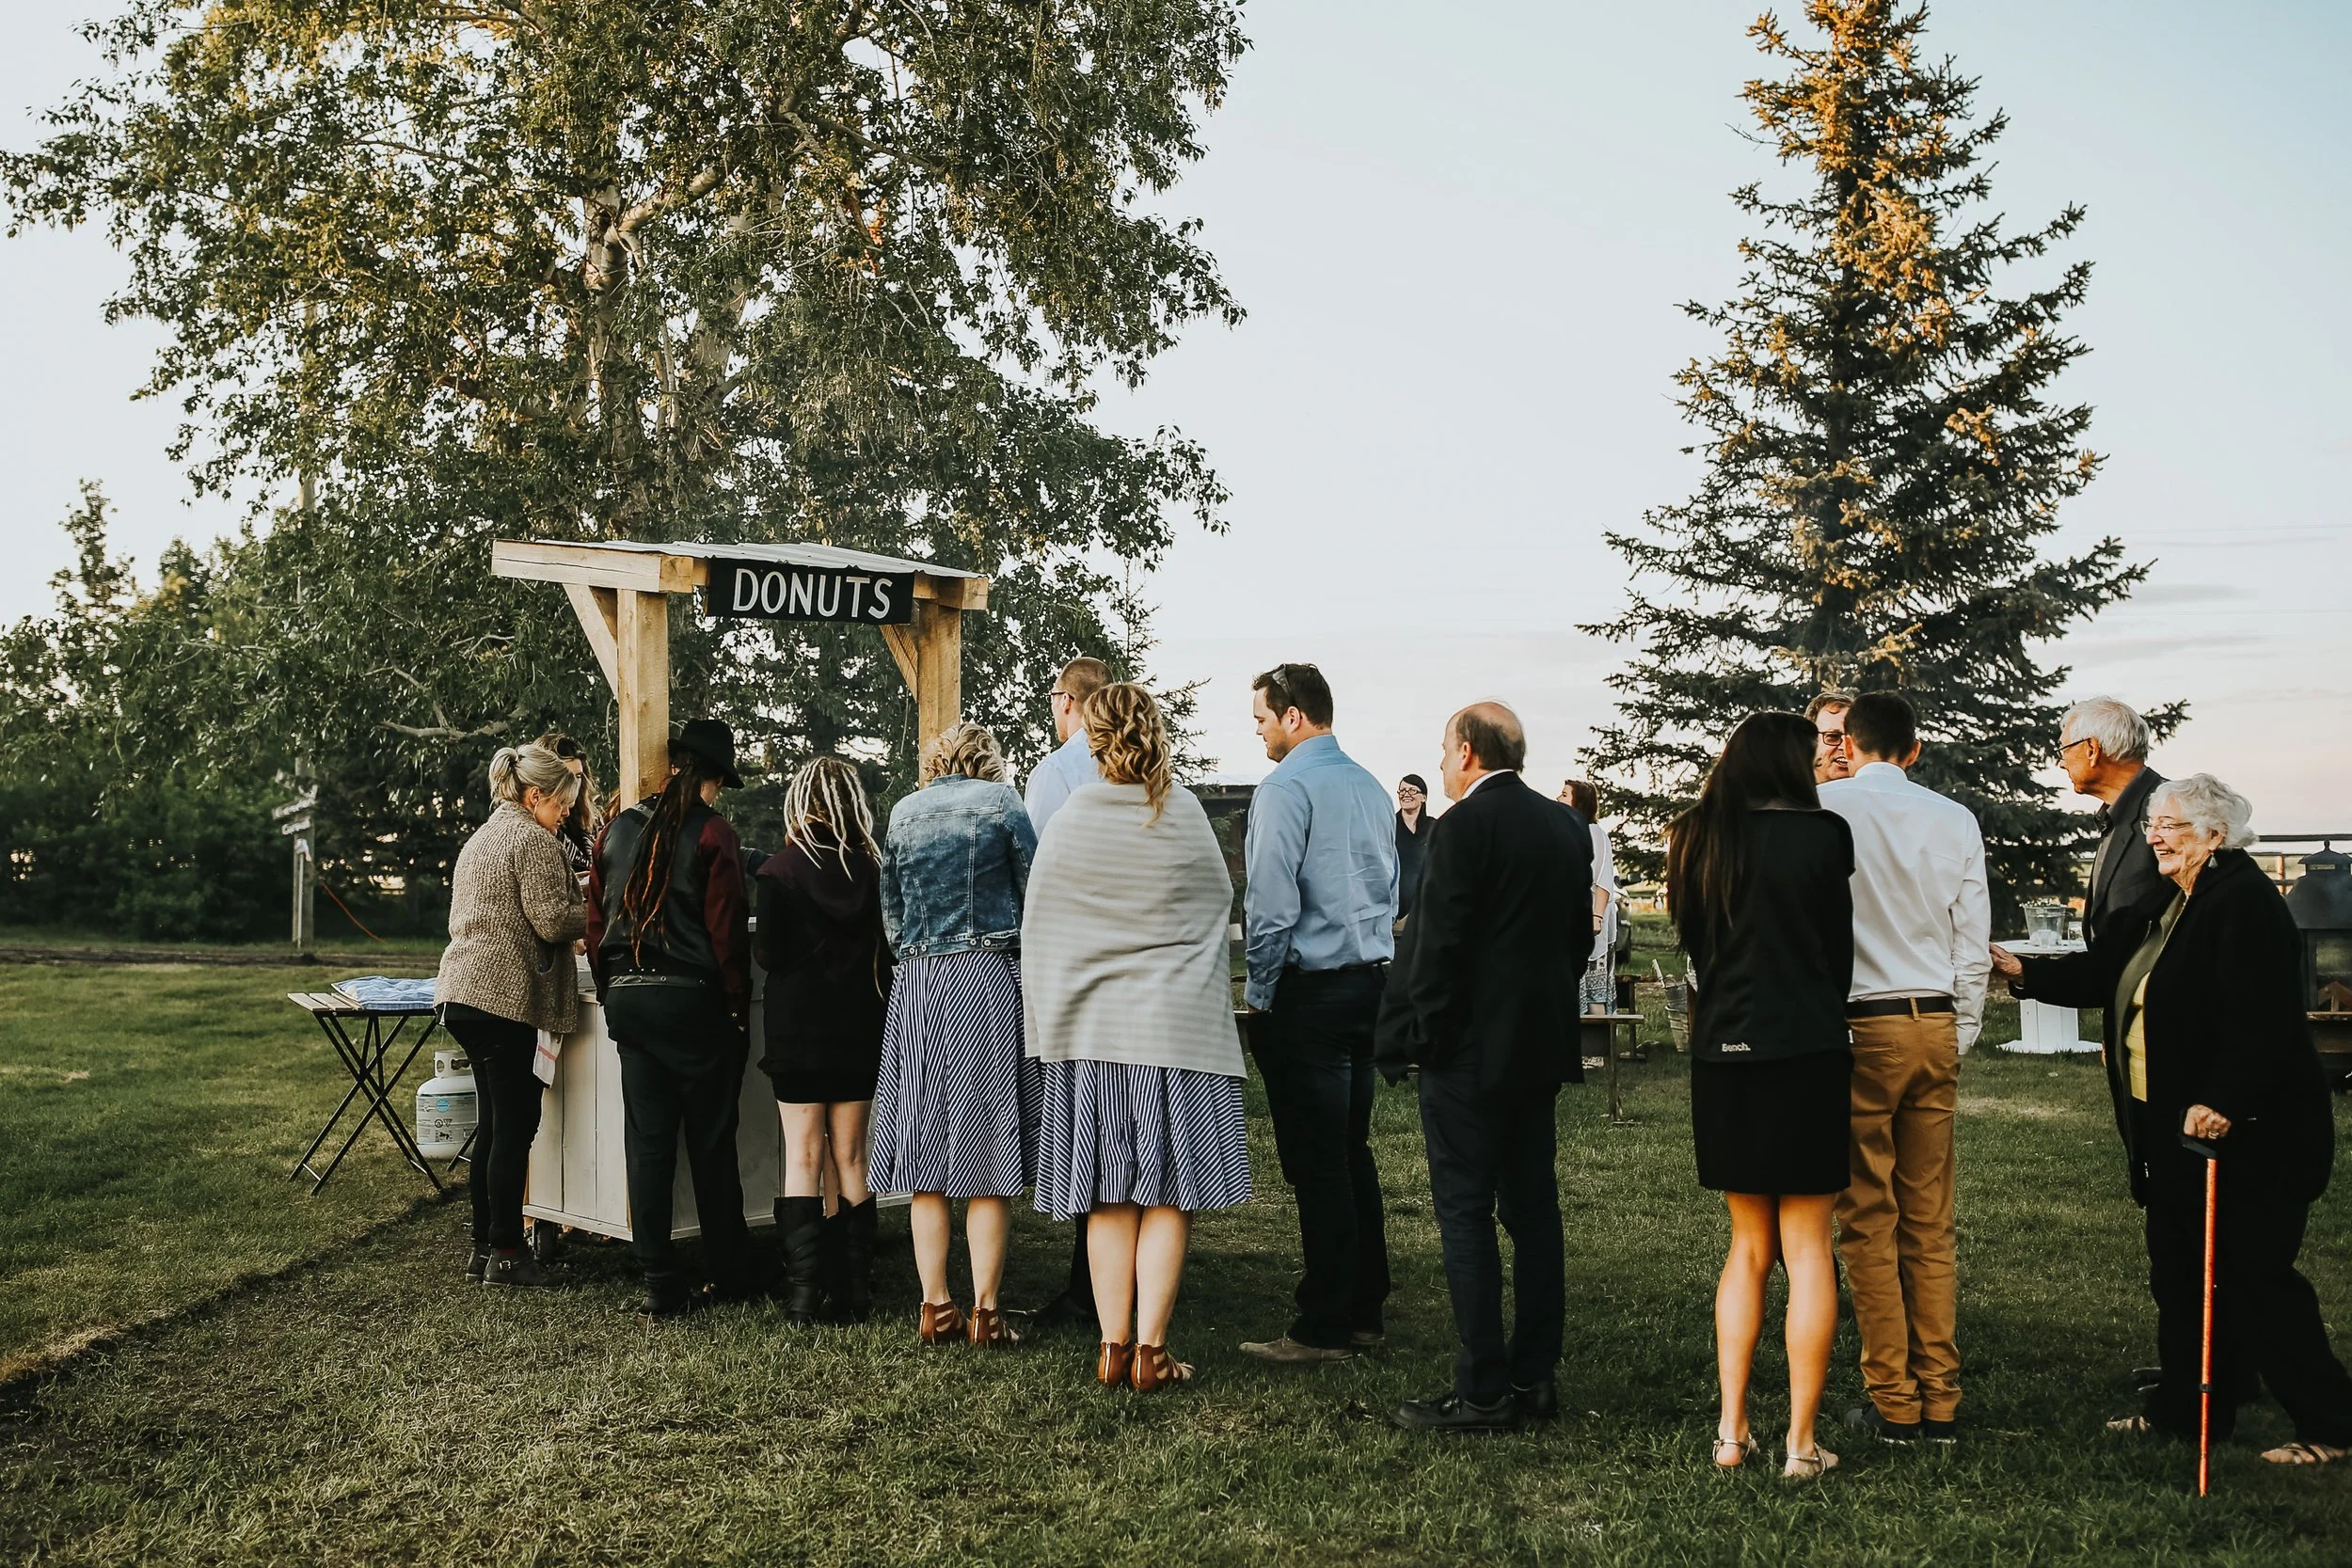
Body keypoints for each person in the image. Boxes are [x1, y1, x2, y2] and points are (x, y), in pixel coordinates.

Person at [1996, 774, 2351, 1465]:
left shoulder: (2242, 901)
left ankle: (2331, 1423)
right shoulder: (2173, 898)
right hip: (2173, 1125)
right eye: (2154, 823)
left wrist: (2221, 1097)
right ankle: (2188, 1411)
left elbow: (2260, 1019)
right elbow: (2108, 972)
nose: (2155, 835)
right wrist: (2023, 971)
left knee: (2255, 1275)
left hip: (2250, 1130)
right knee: (2181, 1271)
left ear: (2215, 835)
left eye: (2173, 826)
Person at [1024, 683, 1253, 1392]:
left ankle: (1111, 1344)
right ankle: (1152, 1350)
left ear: (1094, 740)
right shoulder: (1180, 812)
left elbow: (1042, 924)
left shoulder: (1069, 819)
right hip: (1172, 1032)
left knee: (1107, 1196)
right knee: (1164, 1194)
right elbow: (1218, 904)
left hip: (1094, 1033)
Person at [1375, 702, 1591, 1433]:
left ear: (1468, 751)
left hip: (1468, 1052)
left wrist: (1421, 1036)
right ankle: (1536, 1378)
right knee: (1535, 1213)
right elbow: (1576, 940)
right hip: (1538, 1046)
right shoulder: (1563, 824)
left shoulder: (1463, 823)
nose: (1439, 764)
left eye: (1442, 750)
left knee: (1465, 1214)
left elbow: (1437, 945)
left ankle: (1483, 1390)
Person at [1666, 714, 1855, 1480]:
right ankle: (1800, 1444)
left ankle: (1730, 1432)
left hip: (1725, 1055)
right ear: (1788, 762)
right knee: (1808, 1248)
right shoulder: (1825, 835)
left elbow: (1693, 945)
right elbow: (1836, 951)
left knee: (1746, 1248)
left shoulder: (1694, 833)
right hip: (1807, 1049)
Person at [1817, 691, 1988, 1444]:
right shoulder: (1955, 819)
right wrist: (1963, 1028)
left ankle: (1894, 1400)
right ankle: (1941, 1398)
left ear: (1847, 744)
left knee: (1867, 1220)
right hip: (1935, 1021)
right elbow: (1971, 939)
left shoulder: (1825, 810)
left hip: (1860, 1026)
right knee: (1930, 1219)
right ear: (1914, 750)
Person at [1237, 662, 1398, 1367]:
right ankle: (1365, 1308)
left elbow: (1270, 907)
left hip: (1310, 992)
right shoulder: (1370, 786)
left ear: (1295, 715)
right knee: (1351, 1150)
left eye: (1263, 720)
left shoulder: (1285, 788)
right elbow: (1389, 892)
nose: (1261, 733)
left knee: (1318, 1161)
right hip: (1370, 985)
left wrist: (1262, 994)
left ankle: (1323, 1322)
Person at [871, 721, 1040, 1348]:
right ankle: (987, 1310)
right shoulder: (1002, 803)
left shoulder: (904, 812)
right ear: (987, 760)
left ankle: (935, 1303)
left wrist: (916, 950)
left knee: (925, 1148)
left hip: (916, 983)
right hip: (984, 977)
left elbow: (890, 909)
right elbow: (1035, 889)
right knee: (988, 1145)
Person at [585, 720, 759, 1317]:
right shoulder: (713, 834)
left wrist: (612, 996)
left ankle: (660, 1279)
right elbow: (726, 931)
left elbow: (594, 924)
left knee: (650, 1145)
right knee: (711, 1142)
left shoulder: (615, 830)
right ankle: (732, 1270)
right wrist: (736, 1007)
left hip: (631, 1001)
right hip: (692, 999)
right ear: (713, 780)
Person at [437, 743, 590, 1288]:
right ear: (535, 795)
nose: (566, 815)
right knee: (515, 1129)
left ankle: (484, 1246)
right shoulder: (533, 840)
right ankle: (507, 1252)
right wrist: (603, 906)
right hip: (502, 1000)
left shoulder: (483, 837)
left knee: (494, 1126)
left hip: (461, 993)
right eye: (563, 807)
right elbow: (552, 921)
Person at [755, 756, 892, 1327]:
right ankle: (854, 1290)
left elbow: (769, 955)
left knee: (804, 1157)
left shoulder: (778, 871)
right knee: (852, 1159)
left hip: (798, 1031)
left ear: (800, 802)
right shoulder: (874, 870)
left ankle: (804, 1296)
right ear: (850, 803)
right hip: (860, 1028)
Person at [1023, 655, 1113, 1336]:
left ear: (1072, 703)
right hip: (1130, 971)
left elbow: (1035, 874)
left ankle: (1086, 1291)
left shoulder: (1053, 774)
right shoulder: (1136, 768)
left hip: (1074, 968)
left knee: (1084, 1125)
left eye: (1054, 696)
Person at [2058, 697, 2166, 945]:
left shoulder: (2171, 813)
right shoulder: (2116, 815)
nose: (2061, 763)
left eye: (2064, 750)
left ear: (2091, 750)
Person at [1558, 780, 1617, 1016]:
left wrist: (1596, 915)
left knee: (1595, 988)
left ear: (1578, 802)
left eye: (1564, 795)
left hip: (1592, 918)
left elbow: (1602, 878)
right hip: (1572, 920)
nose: (1557, 798)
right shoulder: (1566, 832)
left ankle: (1599, 1051)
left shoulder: (1594, 832)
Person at [532, 730, 605, 879]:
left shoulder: (591, 821)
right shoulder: (534, 830)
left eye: (577, 776)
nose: (574, 784)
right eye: (566, 776)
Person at [1394, 774, 1433, 925]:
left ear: (1423, 797)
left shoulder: (1434, 827)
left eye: (1411, 790)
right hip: (1395, 908)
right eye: (1402, 791)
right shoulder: (1390, 825)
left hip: (1425, 909)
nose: (1406, 795)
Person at [1805, 691, 1854, 785]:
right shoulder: (1788, 798)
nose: (1844, 746)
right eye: (1833, 737)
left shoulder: (1878, 797)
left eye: (1852, 737)